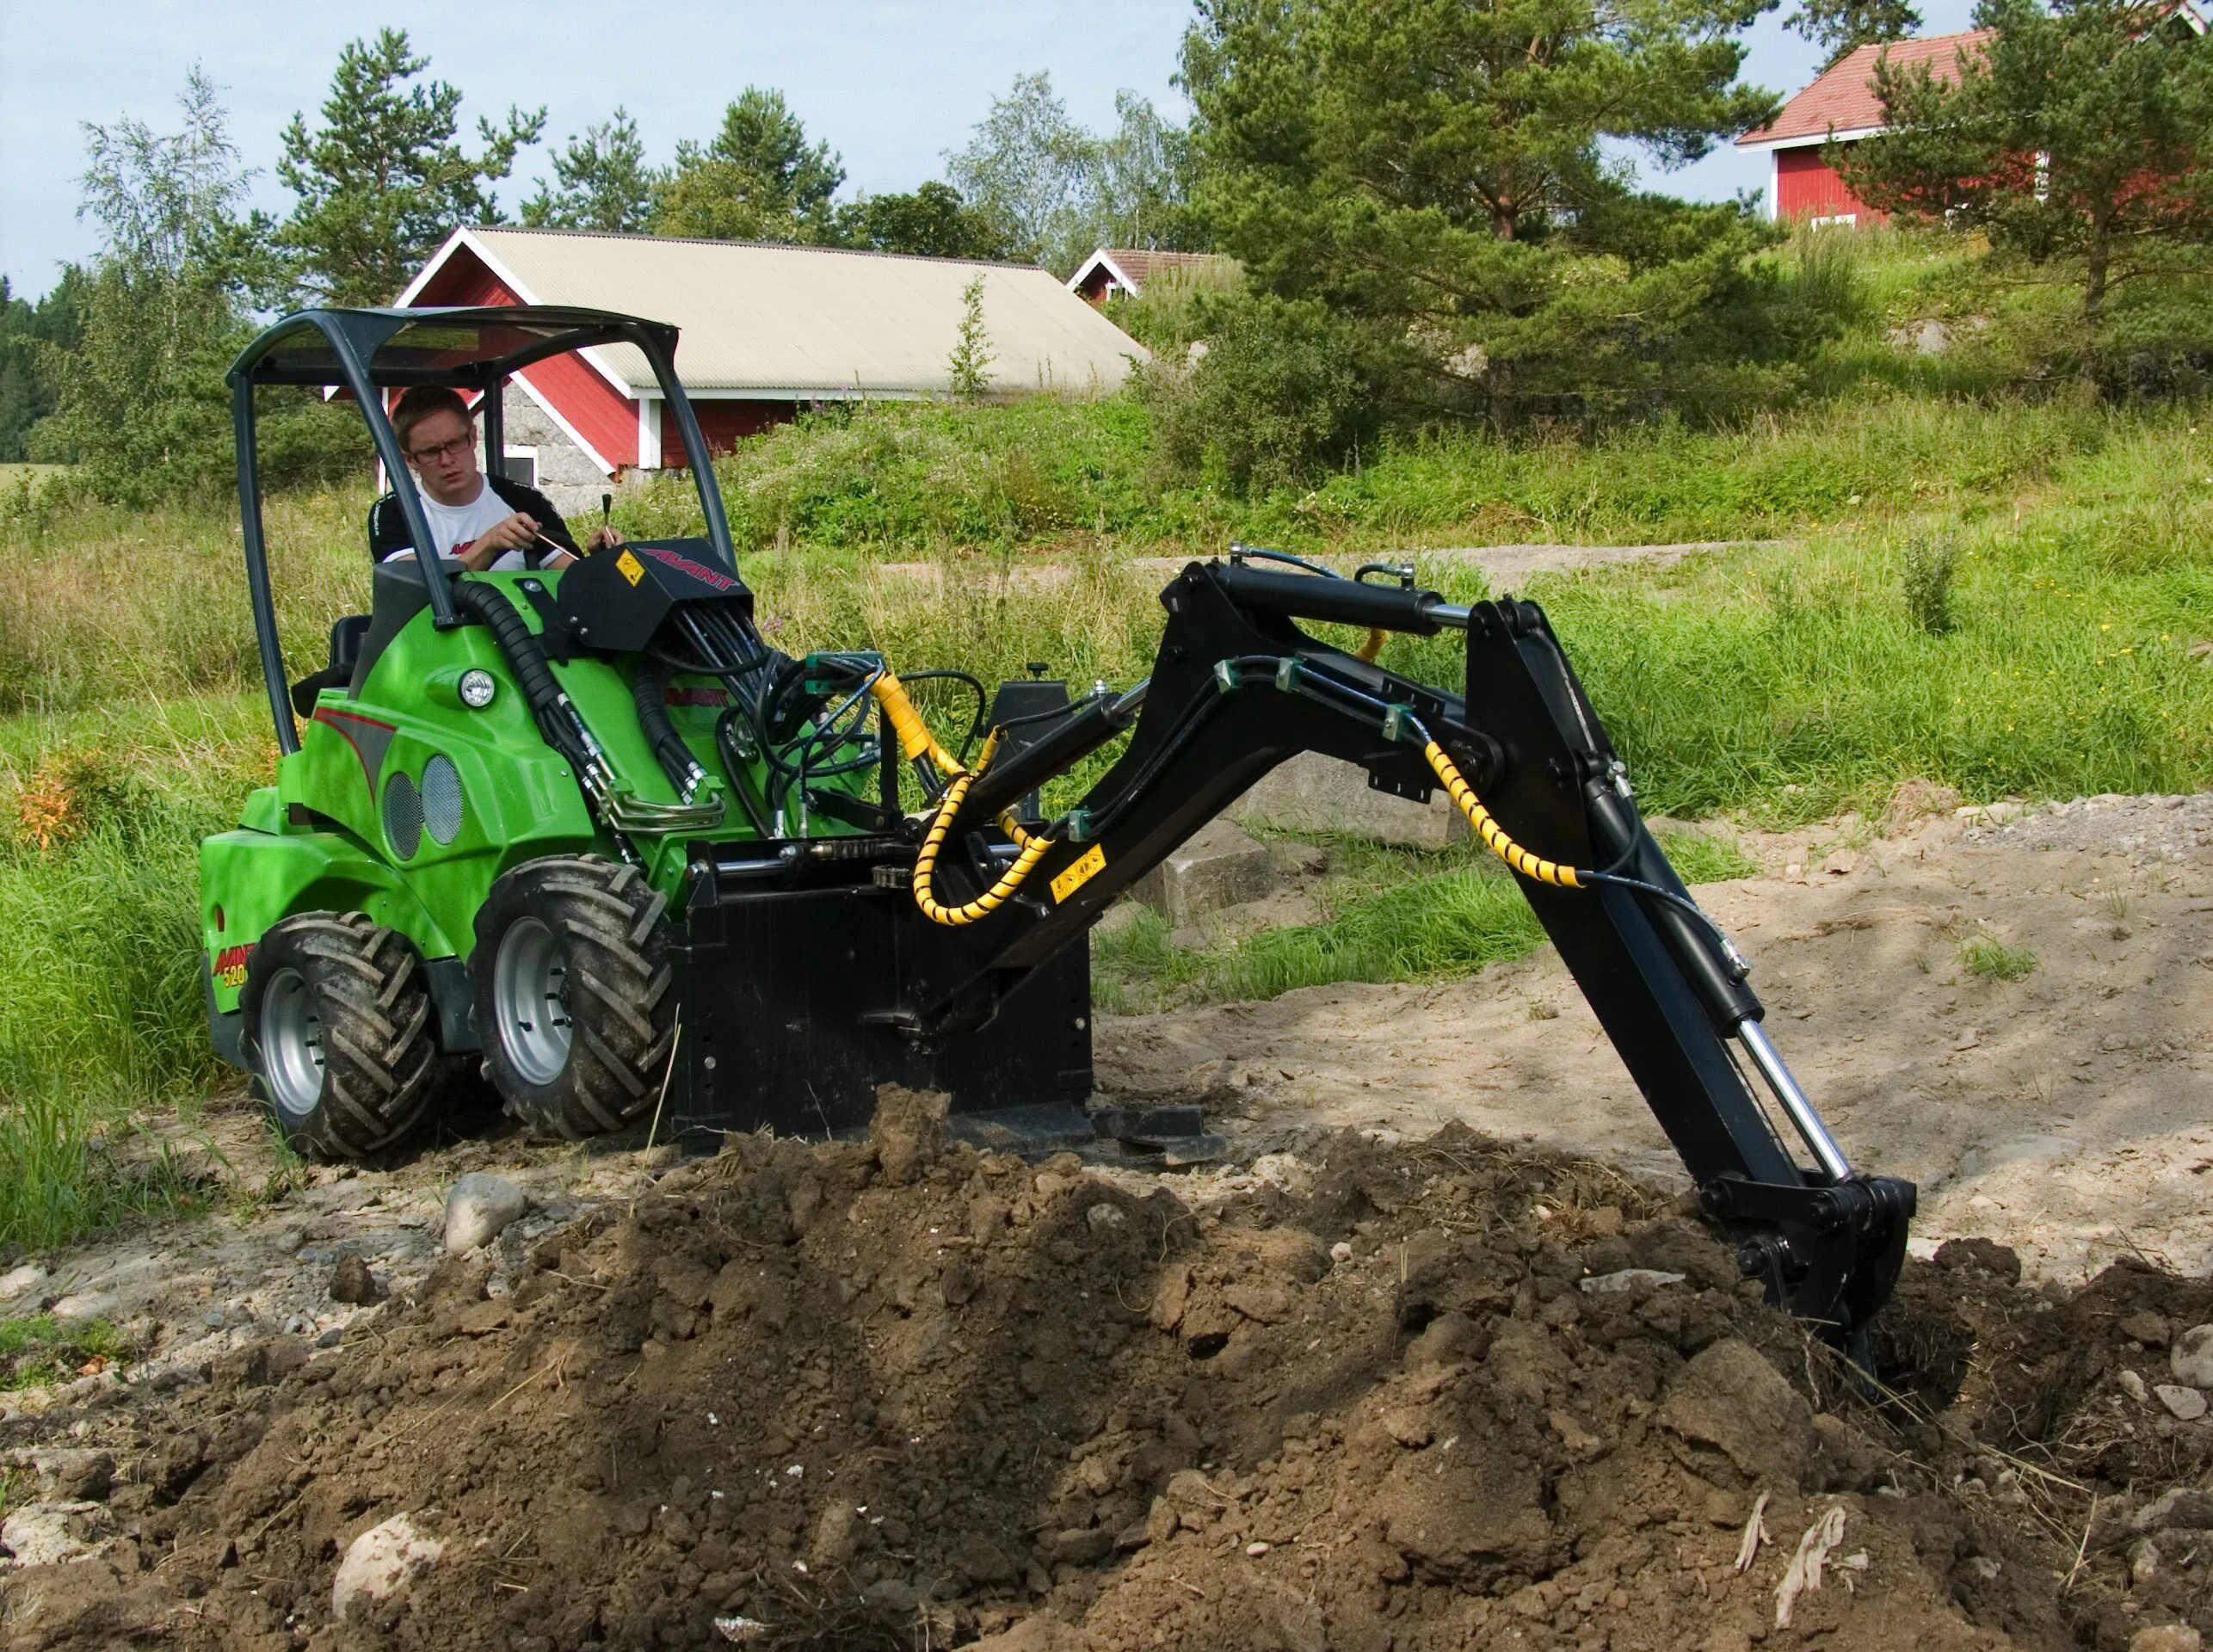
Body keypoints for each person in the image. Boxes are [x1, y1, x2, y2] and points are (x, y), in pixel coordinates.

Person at [368, 385, 623, 571]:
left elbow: (572, 579)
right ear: (410, 460)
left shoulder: (524, 500)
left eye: (455, 443)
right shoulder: (395, 512)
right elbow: (420, 597)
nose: (446, 460)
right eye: (431, 452)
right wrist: (489, 544)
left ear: (473, 437)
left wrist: (600, 561)